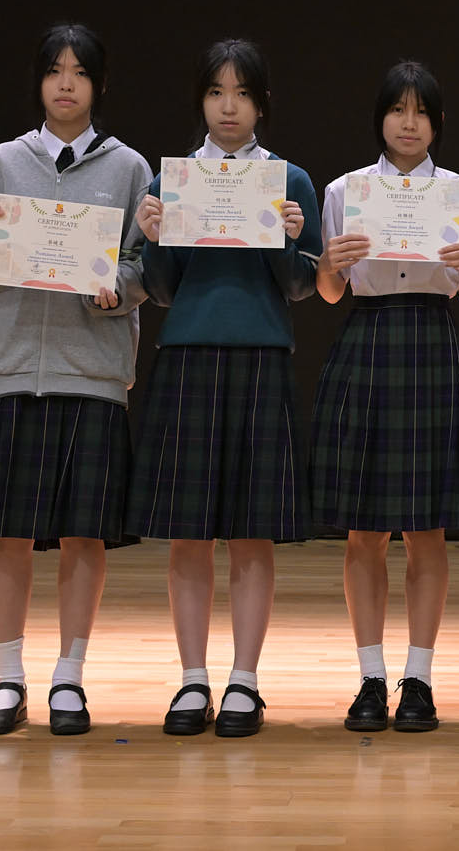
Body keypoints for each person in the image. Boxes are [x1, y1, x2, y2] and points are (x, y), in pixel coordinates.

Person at [0, 24, 151, 736]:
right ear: (38, 81)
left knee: (82, 535)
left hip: (91, 371)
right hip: (8, 369)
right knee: (7, 535)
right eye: (54, 71)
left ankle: (70, 676)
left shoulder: (130, 168)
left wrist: (116, 289)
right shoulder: (2, 161)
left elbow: (144, 269)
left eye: (80, 72)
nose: (66, 83)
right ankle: (8, 678)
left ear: (99, 84)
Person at [125, 38, 321, 738]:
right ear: (201, 101)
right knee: (188, 533)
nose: (228, 106)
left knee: (250, 531)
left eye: (241, 93)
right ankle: (191, 678)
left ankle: (245, 680)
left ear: (261, 103)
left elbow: (300, 287)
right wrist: (153, 237)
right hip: (187, 355)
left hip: (262, 354)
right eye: (215, 92)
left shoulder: (289, 179)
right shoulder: (173, 178)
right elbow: (162, 290)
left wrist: (291, 237)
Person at [312, 61, 459, 735]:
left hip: (432, 337)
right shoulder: (345, 190)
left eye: (420, 111)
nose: (408, 123)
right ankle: (370, 677)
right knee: (363, 530)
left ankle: (418, 677)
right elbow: (329, 291)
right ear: (381, 119)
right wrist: (331, 264)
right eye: (397, 110)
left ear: (436, 123)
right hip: (368, 336)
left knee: (427, 528)